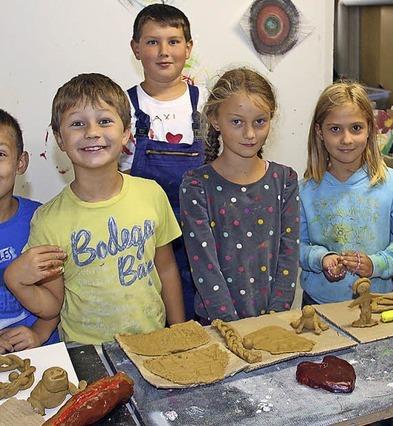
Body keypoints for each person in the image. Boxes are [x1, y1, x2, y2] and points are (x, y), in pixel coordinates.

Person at [5, 74, 185, 345]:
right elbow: (54, 300)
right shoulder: (48, 220)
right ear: (60, 139)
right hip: (85, 351)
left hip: (153, 342)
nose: (92, 132)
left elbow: (167, 268)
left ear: (126, 132)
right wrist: (16, 281)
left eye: (104, 121)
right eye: (77, 124)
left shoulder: (151, 194)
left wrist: (180, 330)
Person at [179, 68, 299, 323]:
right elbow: (204, 267)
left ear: (271, 118)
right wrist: (233, 327)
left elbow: (288, 258)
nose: (250, 134)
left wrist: (274, 319)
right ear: (214, 119)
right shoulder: (196, 185)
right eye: (237, 122)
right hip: (217, 325)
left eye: (260, 121)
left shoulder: (285, 180)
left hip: (273, 324)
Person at [299, 81, 393, 305]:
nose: (346, 139)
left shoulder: (391, 182)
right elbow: (296, 245)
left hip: (376, 301)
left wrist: (376, 264)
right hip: (318, 304)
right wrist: (322, 258)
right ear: (319, 132)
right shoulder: (306, 190)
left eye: (356, 128)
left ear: (370, 129)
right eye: (335, 129)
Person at [120, 3, 206, 320]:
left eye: (173, 41)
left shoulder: (207, 102)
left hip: (200, 239)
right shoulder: (121, 107)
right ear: (136, 48)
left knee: (198, 326)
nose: (163, 51)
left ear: (189, 47)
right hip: (142, 240)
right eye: (153, 41)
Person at [0, 109, 60, 353]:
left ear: (20, 163)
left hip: (41, 350)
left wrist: (38, 333)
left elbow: (57, 299)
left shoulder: (41, 220)